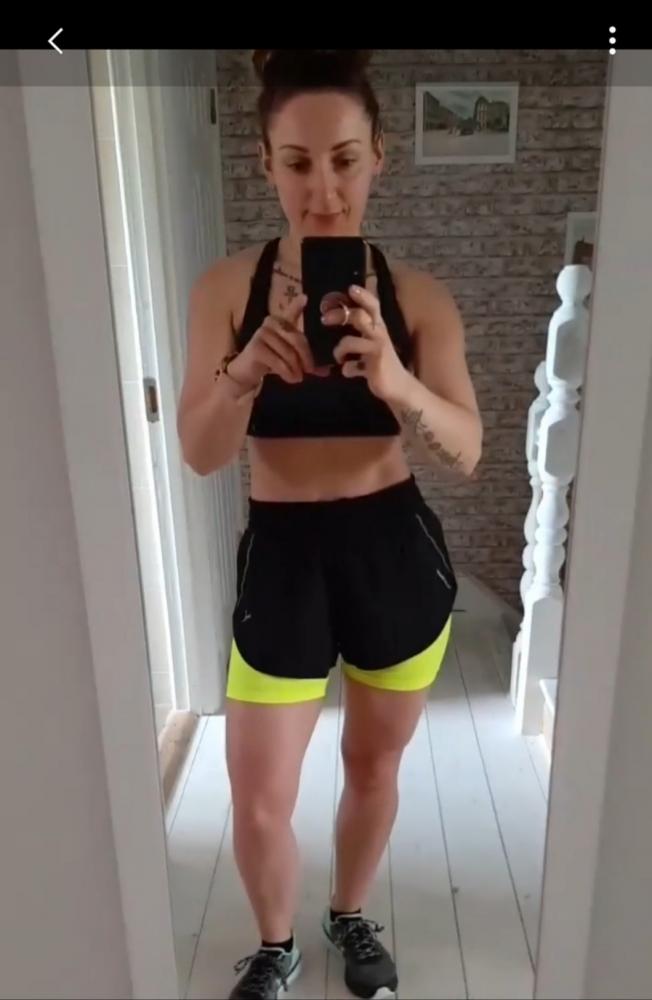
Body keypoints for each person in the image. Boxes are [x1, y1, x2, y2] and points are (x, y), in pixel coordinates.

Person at [177, 48, 482, 1000]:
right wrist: (245, 371)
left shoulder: (418, 299)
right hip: (282, 556)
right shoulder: (227, 292)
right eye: (298, 163)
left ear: (379, 155)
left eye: (345, 160)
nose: (323, 191)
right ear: (265, 164)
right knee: (258, 795)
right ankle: (276, 945)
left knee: (373, 766)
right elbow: (199, 452)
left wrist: (396, 381)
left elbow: (469, 447)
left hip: (391, 549)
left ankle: (349, 912)